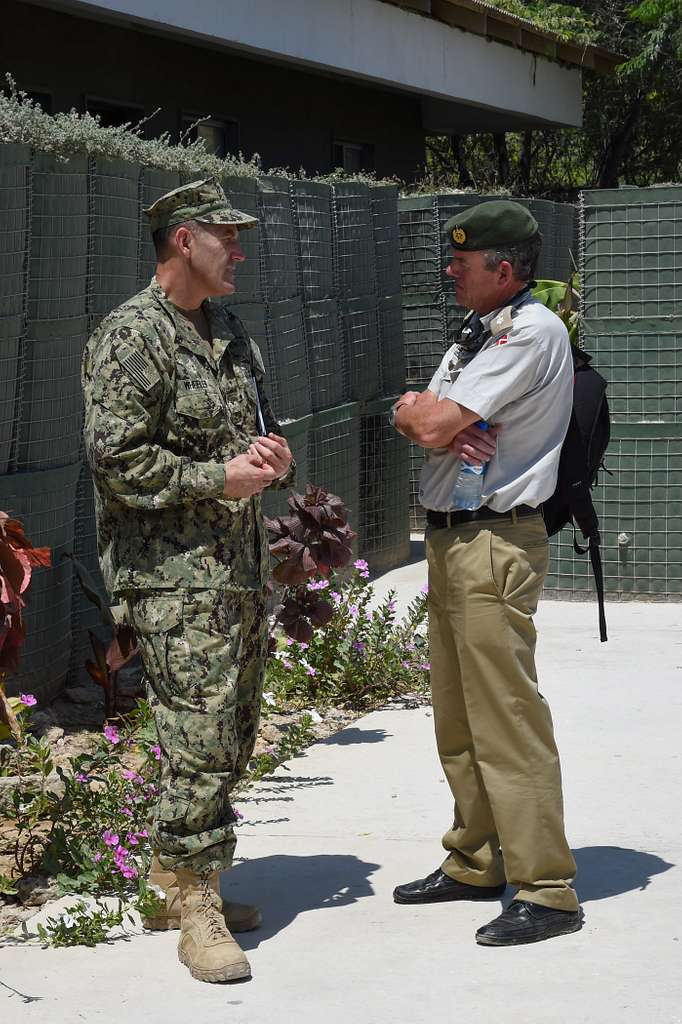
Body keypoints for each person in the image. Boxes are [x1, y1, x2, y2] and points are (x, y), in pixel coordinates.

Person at [81, 177, 294, 983]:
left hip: (234, 570)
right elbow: (116, 459)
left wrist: (274, 461)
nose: (238, 250)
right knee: (199, 739)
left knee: (233, 731)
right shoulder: (132, 336)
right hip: (170, 577)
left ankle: (175, 876)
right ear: (183, 242)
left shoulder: (230, 331)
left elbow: (259, 431)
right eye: (225, 237)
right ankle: (197, 901)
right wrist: (219, 478)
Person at [390, 200, 582, 946]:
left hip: (493, 542)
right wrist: (418, 407)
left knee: (507, 716)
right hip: (451, 541)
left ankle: (547, 888)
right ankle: (476, 857)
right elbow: (413, 413)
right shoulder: (482, 331)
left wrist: (429, 416)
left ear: (504, 270)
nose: (450, 271)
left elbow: (434, 426)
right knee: (458, 715)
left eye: (462, 263)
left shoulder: (532, 330)